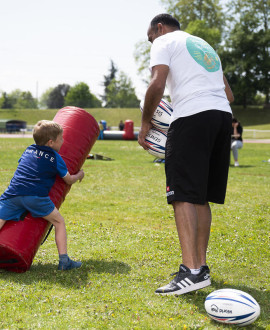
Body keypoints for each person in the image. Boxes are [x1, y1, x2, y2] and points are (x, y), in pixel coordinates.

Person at [138, 14, 234, 295]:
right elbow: (228, 93)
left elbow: (157, 83)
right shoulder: (204, 46)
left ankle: (191, 271)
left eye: (150, 38)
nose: (151, 44)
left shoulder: (164, 40)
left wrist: (145, 124)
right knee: (200, 197)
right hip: (221, 117)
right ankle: (200, 268)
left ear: (159, 27)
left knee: (181, 195)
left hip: (192, 116)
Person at [0, 120, 84, 271]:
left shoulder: (28, 150)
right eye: (61, 139)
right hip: (36, 197)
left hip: (13, 194)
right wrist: (79, 175)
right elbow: (68, 179)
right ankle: (64, 261)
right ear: (51, 142)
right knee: (59, 222)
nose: (63, 141)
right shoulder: (56, 158)